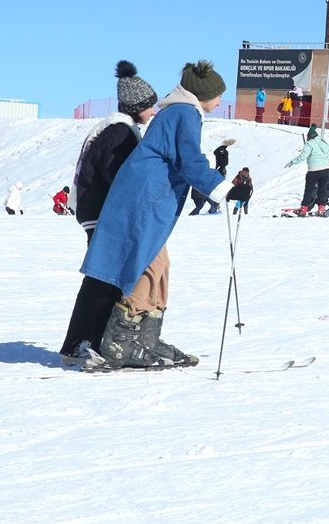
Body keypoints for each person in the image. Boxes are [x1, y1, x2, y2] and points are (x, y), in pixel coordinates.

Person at [80, 60, 231, 371]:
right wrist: (224, 189)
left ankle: (147, 337)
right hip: (144, 199)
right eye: (217, 95)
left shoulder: (180, 112)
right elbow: (189, 160)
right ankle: (121, 341)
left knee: (159, 264)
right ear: (203, 93)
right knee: (147, 264)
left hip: (150, 199)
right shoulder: (184, 113)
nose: (219, 101)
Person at [60, 60, 159, 366]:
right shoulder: (119, 132)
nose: (153, 112)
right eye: (149, 106)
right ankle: (80, 343)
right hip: (102, 213)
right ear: (136, 106)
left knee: (107, 277)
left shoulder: (117, 127)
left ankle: (92, 340)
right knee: (103, 278)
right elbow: (121, 175)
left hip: (99, 211)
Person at [285, 124, 329, 217]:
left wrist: (292, 162)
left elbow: (303, 156)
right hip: (325, 170)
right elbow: (328, 156)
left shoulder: (309, 143)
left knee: (309, 190)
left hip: (313, 170)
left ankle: (303, 209)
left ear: (310, 136)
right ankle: (321, 209)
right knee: (322, 190)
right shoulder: (324, 143)